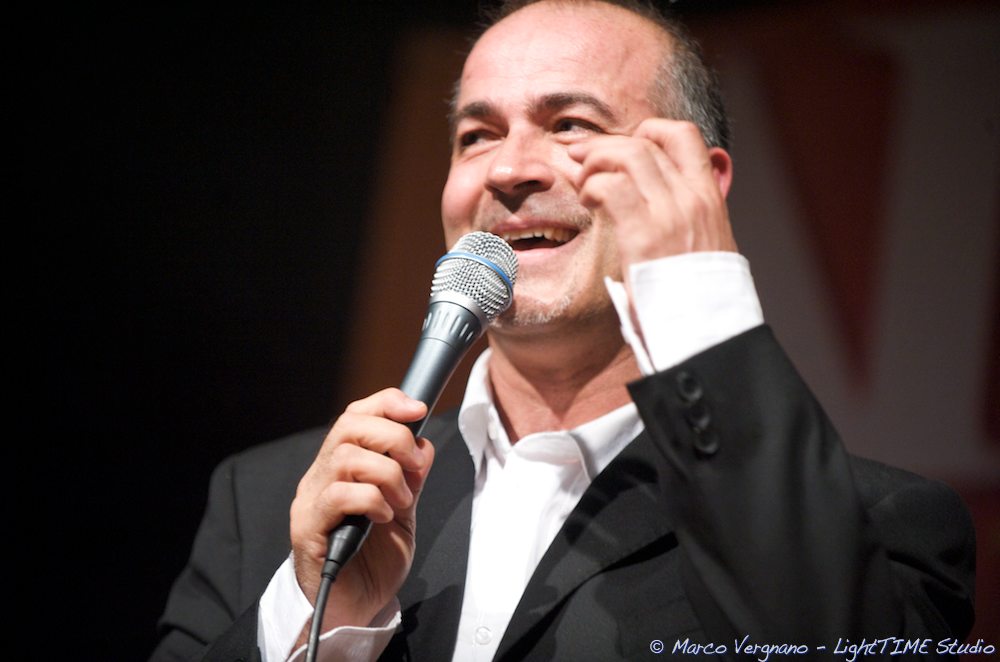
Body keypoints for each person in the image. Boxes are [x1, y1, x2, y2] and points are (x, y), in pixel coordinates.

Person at [150, 1, 976, 660]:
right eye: (477, 135)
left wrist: (699, 292)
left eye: (571, 123)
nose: (510, 170)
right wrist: (320, 627)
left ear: (698, 178)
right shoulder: (280, 505)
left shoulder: (883, 523)